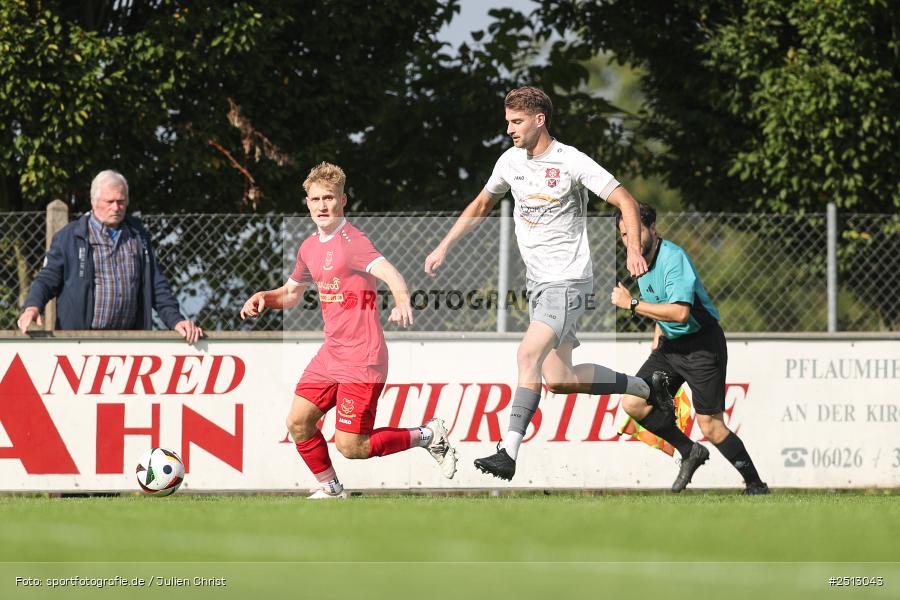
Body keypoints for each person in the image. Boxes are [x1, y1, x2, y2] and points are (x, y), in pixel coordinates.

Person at [424, 86, 671, 481]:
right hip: (538, 284)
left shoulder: (570, 161)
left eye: (516, 122)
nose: (509, 130)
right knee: (560, 379)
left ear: (540, 120)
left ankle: (508, 451)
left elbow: (624, 200)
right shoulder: (509, 162)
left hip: (568, 281)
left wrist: (632, 250)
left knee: (527, 356)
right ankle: (645, 387)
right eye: (507, 122)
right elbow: (481, 204)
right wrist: (444, 245)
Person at [240, 162, 457, 499]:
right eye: (316, 199)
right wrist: (265, 298)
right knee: (298, 423)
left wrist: (401, 301)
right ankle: (332, 490)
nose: (322, 205)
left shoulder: (352, 240)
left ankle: (428, 435)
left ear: (343, 201)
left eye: (330, 198)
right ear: (308, 203)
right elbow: (292, 294)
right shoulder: (309, 247)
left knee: (352, 446)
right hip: (331, 355)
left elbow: (390, 273)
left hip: (363, 358)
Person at [610, 202, 769, 495]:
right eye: (623, 235)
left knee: (711, 426)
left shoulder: (673, 258)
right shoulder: (638, 261)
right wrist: (657, 341)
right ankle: (690, 451)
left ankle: (756, 485)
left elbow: (681, 312)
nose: (629, 242)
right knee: (632, 402)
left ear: (652, 228)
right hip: (670, 348)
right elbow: (659, 305)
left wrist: (631, 304)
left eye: (633, 233)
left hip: (702, 346)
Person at [17, 170, 202, 344]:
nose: (116, 207)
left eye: (121, 201)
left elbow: (156, 286)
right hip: (79, 342)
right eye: (110, 201)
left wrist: (176, 321)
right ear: (94, 201)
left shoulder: (138, 236)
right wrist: (32, 307)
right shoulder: (69, 237)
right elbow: (47, 279)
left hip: (129, 342)